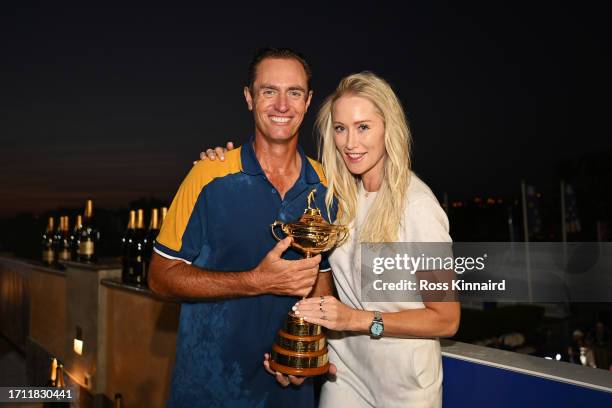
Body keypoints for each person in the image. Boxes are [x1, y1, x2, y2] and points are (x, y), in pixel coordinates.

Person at [203, 72, 460, 407]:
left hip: (404, 387)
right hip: (345, 374)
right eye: (341, 128)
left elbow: (447, 319)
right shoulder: (338, 197)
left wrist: (356, 320)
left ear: (388, 128)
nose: (350, 142)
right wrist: (217, 162)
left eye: (363, 127)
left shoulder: (418, 206)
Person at [148, 47, 337, 408]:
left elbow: (321, 285)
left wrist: (306, 357)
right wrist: (256, 280)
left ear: (309, 100)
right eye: (269, 91)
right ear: (249, 98)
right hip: (208, 392)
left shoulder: (327, 186)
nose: (282, 105)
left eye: (294, 92)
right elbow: (159, 277)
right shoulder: (208, 175)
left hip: (289, 392)